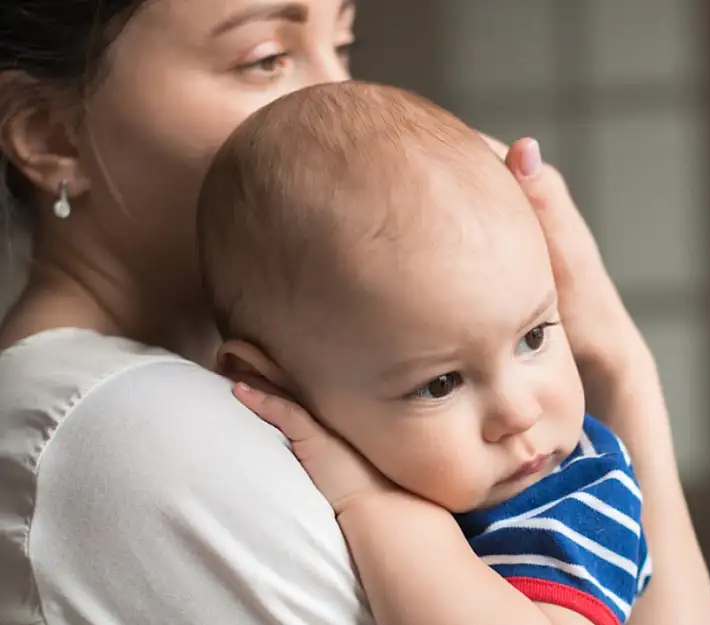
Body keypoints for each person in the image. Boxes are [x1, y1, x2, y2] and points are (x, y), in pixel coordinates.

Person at [0, 0, 710, 623]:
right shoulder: (134, 433)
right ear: (48, 134)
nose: (335, 96)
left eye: (343, 46)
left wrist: (616, 362)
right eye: (266, 58)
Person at [197, 80, 650, 625]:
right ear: (273, 386)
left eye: (533, 337)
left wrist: (375, 506)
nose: (519, 413)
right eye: (442, 383)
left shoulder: (573, 494)